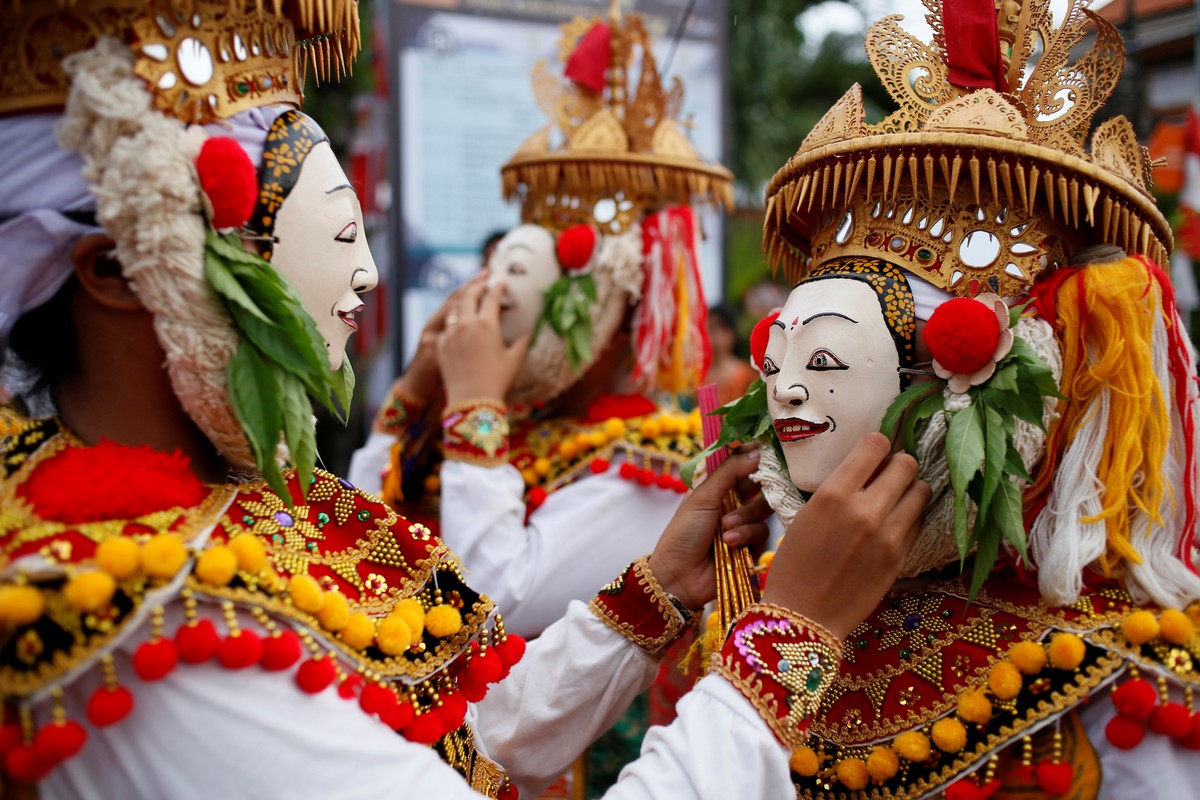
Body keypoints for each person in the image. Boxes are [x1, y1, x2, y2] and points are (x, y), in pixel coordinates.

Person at [0, 2, 929, 799]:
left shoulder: (236, 513)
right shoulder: (144, 617)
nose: (366, 275)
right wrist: (787, 644)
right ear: (123, 270)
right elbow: (481, 643)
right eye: (334, 232)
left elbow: (449, 728)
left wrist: (648, 600)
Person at [712, 0, 1200, 796]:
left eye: (827, 357)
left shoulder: (1119, 670)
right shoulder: (755, 608)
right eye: (777, 358)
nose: (787, 388)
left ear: (962, 375)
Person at [348, 8, 731, 643]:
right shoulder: (509, 431)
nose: (496, 305)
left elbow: (492, 607)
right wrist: (419, 384)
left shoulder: (649, 466)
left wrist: (475, 403)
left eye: (522, 286)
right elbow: (358, 541)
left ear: (613, 324)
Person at [706, 303, 758, 405]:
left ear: (733, 332)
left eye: (721, 328)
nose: (715, 334)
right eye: (710, 328)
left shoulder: (748, 376)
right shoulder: (695, 378)